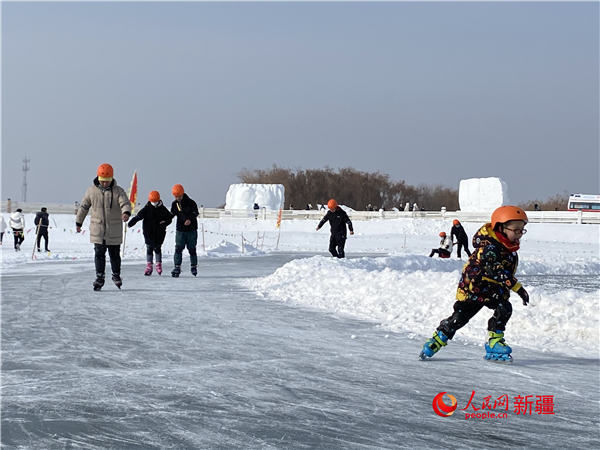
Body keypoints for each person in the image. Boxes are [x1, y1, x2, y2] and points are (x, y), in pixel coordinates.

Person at [419, 206, 530, 362]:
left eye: (522, 230)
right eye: (516, 230)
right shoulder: (489, 247)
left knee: (504, 308)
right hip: (475, 288)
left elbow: (506, 272)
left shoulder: (508, 248)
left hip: (493, 288)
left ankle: (494, 341)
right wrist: (518, 288)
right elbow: (496, 271)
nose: (519, 234)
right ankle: (438, 339)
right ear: (500, 227)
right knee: (461, 317)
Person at [76, 163, 132, 291]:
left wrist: (126, 213)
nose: (105, 183)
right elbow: (84, 207)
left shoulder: (118, 191)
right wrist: (79, 222)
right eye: (102, 181)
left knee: (114, 254)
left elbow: (125, 203)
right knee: (99, 254)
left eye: (107, 181)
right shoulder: (91, 191)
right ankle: (99, 277)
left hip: (114, 229)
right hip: (98, 229)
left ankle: (116, 275)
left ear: (112, 179)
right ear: (98, 178)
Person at [127, 190, 173, 276]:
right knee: (149, 249)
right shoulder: (147, 208)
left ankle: (158, 265)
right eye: (152, 201)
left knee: (157, 249)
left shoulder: (163, 209)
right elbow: (138, 216)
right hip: (148, 233)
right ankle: (149, 266)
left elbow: (169, 218)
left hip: (159, 233)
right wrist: (131, 223)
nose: (154, 203)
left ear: (159, 200)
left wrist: (165, 223)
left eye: (155, 201)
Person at [170, 184, 199, 277]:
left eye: (178, 196)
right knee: (178, 248)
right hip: (180, 230)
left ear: (182, 194)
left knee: (192, 249)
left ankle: (193, 265)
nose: (177, 198)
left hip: (191, 230)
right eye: (175, 196)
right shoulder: (175, 204)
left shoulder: (191, 202)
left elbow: (195, 213)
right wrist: (163, 221)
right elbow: (171, 214)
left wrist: (190, 219)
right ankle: (177, 266)